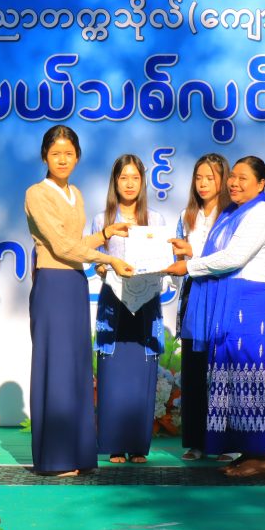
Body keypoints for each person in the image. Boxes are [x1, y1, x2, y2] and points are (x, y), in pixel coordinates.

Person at [24, 125, 134, 476]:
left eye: (69, 154)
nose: (62, 160)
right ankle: (55, 459)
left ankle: (80, 453)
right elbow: (59, 246)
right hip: (52, 283)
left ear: (77, 157)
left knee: (76, 368)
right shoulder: (37, 193)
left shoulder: (77, 194)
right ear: (45, 156)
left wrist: (104, 235)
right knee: (57, 367)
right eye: (56, 153)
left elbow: (76, 244)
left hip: (74, 282)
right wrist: (109, 258)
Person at [165, 156, 265, 478]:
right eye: (234, 177)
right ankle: (247, 452)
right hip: (233, 304)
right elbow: (218, 256)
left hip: (250, 305)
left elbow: (233, 258)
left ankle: (261, 456)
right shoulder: (234, 214)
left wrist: (189, 266)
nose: (235, 183)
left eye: (244, 178)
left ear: (261, 184)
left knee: (252, 379)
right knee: (234, 382)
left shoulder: (259, 214)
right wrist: (192, 256)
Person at [91, 154, 166, 464]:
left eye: (135, 177)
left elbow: (163, 259)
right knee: (113, 373)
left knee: (140, 376)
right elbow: (95, 259)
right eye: (124, 177)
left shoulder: (156, 220)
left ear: (143, 182)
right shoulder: (102, 220)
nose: (130, 183)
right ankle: (113, 444)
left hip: (146, 302)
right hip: (114, 301)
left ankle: (137, 446)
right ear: (115, 182)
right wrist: (102, 268)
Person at [174, 153, 231, 462]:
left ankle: (222, 442)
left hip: (221, 294)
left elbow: (227, 258)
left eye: (210, 178)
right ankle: (195, 442)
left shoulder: (232, 215)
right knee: (194, 370)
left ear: (223, 180)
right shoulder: (187, 215)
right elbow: (180, 261)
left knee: (221, 370)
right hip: (194, 295)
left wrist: (192, 254)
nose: (203, 183)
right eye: (199, 178)